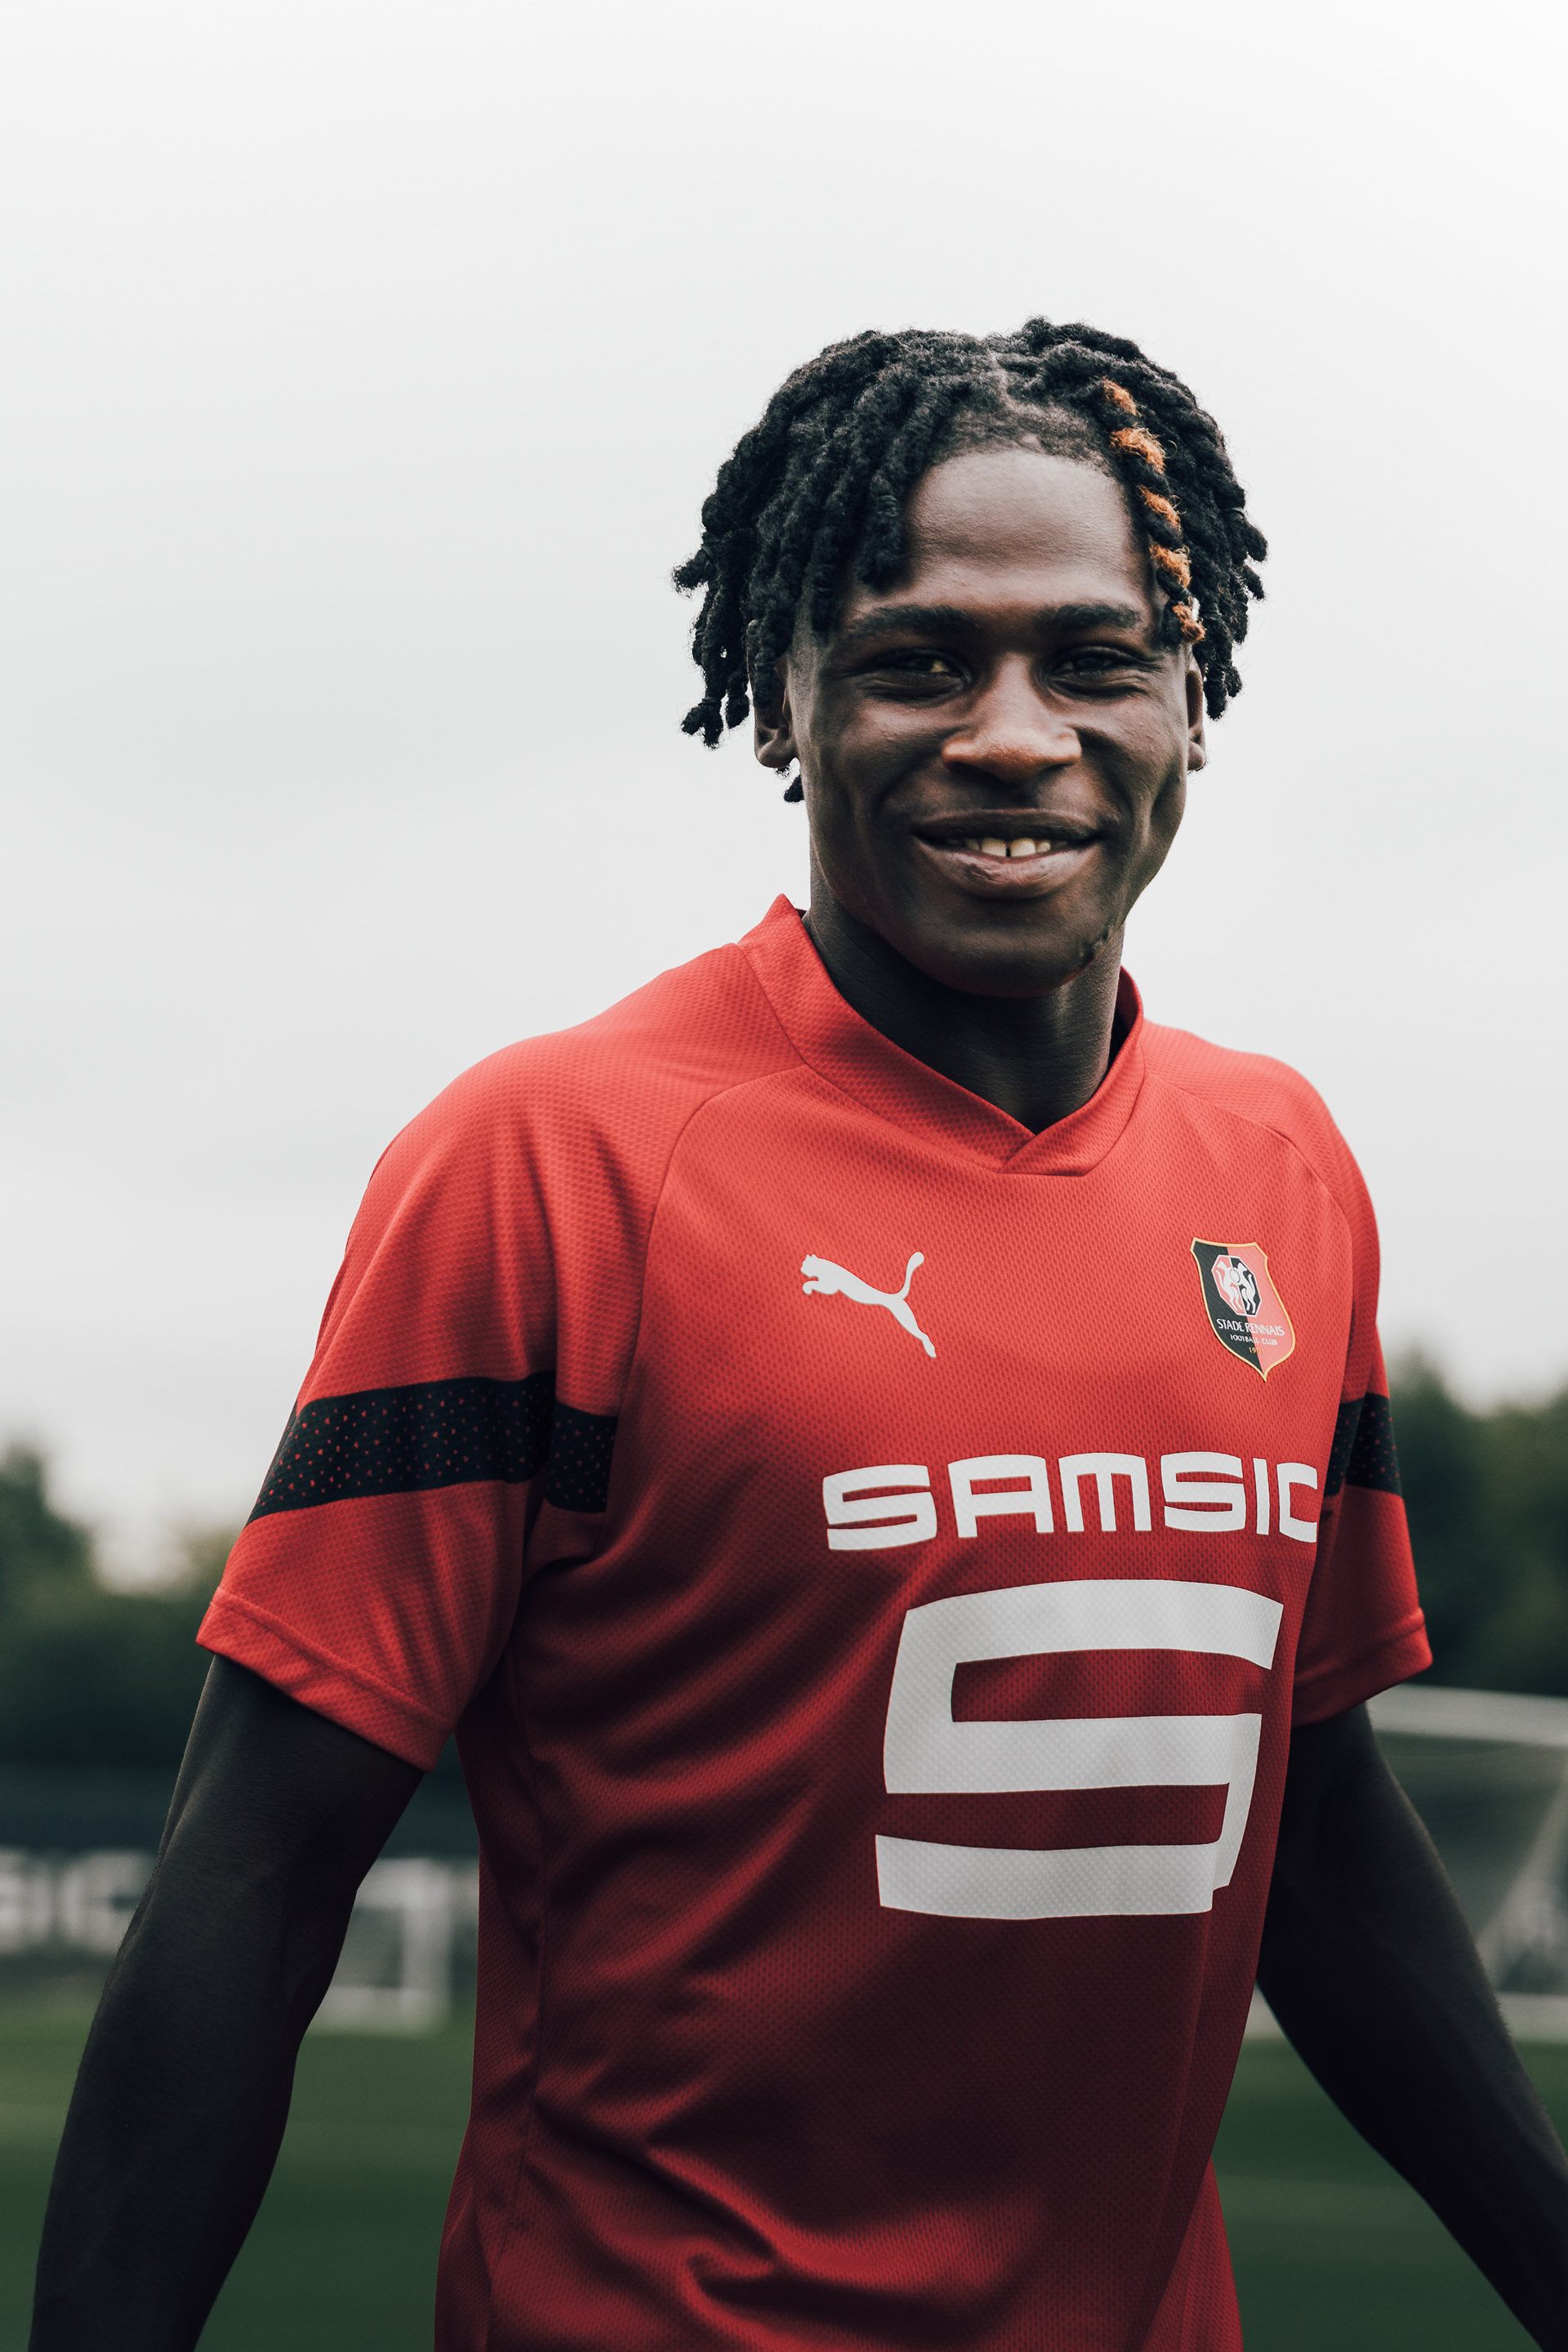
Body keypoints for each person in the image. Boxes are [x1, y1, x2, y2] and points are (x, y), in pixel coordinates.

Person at [30, 320, 1568, 2352]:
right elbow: (256, 1873)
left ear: (1192, 703)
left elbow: (1310, 1807)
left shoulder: (1281, 1169)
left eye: (1094, 660)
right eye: (921, 661)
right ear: (781, 697)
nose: (1014, 736)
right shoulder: (550, 1163)